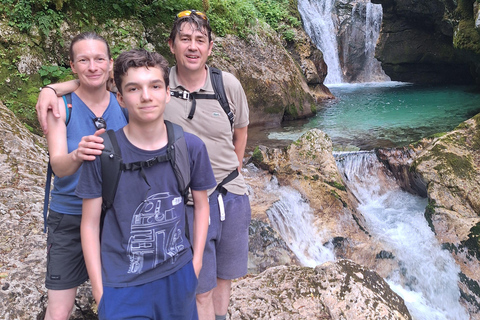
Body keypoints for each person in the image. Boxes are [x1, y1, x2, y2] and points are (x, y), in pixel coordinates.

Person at [36, 10, 251, 320]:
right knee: (60, 309)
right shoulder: (147, 87)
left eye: (200, 40)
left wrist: (237, 169)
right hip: (111, 208)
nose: (146, 96)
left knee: (218, 285)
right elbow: (100, 82)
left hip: (213, 198)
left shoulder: (222, 86)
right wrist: (51, 89)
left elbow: (240, 132)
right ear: (172, 45)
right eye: (184, 39)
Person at [75, 48, 216, 319]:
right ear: (121, 98)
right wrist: (99, 290)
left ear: (167, 92)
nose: (146, 96)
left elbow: (201, 206)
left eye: (154, 86)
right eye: (134, 88)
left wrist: (196, 263)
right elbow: (89, 223)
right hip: (121, 284)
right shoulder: (102, 153)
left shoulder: (190, 147)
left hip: (178, 277)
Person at [41, 32, 128, 320]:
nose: (92, 66)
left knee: (120, 299)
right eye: (83, 60)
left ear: (110, 63)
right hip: (69, 215)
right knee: (60, 309)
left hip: (114, 216)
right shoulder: (61, 106)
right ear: (73, 66)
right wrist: (77, 155)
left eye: (99, 59)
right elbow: (59, 167)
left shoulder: (124, 102)